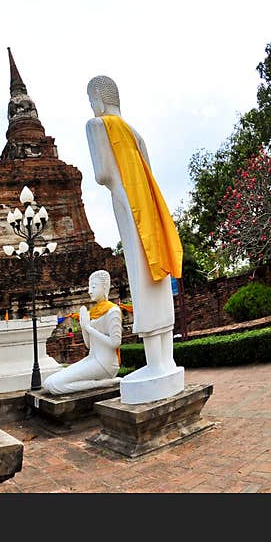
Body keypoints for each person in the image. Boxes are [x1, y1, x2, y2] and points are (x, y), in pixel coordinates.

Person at [85, 75, 183, 404]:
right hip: (151, 210)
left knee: (141, 279)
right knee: (156, 276)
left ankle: (156, 363)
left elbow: (102, 175)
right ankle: (164, 361)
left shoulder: (98, 126)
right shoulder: (134, 132)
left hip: (129, 206)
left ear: (96, 100)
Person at [43, 270, 121, 394]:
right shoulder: (93, 312)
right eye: (90, 287)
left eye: (94, 287)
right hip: (92, 358)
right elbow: (89, 345)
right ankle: (101, 383)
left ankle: (104, 382)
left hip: (105, 364)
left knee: (55, 386)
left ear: (105, 287)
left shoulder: (113, 311)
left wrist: (89, 328)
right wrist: (84, 327)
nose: (90, 291)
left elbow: (115, 342)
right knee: (47, 383)